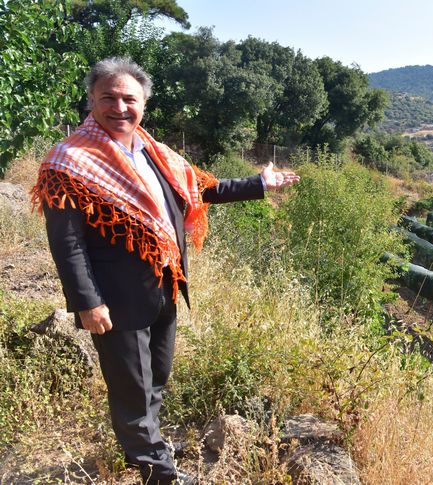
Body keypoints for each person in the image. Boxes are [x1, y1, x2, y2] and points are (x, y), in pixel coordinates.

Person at [31, 57, 299, 484]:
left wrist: (260, 184)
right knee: (131, 387)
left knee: (156, 376)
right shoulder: (68, 162)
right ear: (92, 101)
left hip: (163, 286)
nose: (119, 107)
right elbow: (67, 242)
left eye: (129, 99)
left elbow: (196, 189)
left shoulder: (151, 150)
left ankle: (142, 444)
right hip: (114, 298)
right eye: (109, 98)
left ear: (143, 103)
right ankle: (158, 470)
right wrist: (87, 303)